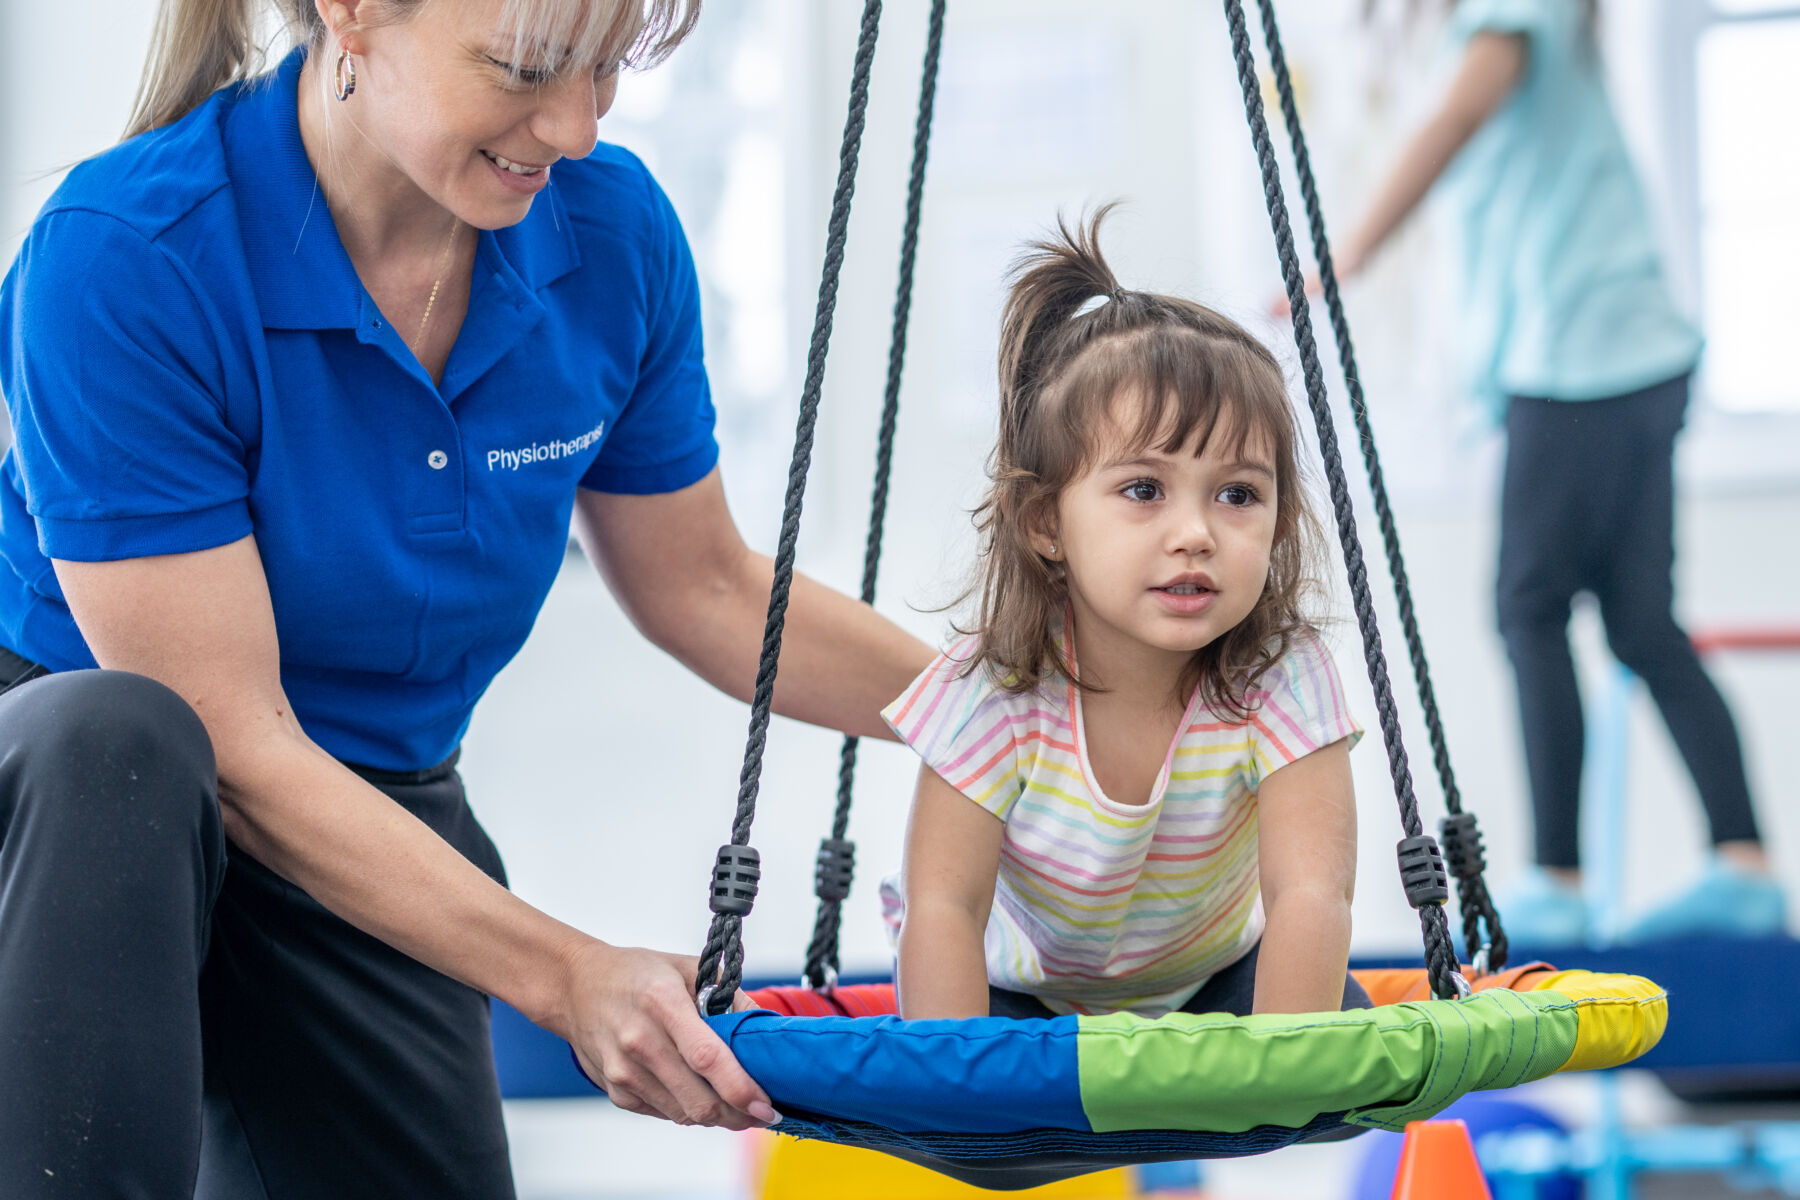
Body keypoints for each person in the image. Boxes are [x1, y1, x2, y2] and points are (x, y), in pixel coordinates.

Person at [0, 1, 934, 1196]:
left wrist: (1014, 714)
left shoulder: (609, 234)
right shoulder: (129, 253)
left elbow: (704, 583)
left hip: (372, 818)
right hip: (88, 825)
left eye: (611, 68)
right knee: (121, 737)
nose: (578, 127)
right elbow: (232, 737)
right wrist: (566, 974)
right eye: (531, 67)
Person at [1306, 0, 1785, 944]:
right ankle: (1742, 861)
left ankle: (1558, 880)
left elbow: (1457, 120)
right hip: (1621, 352)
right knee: (1642, 624)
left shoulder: (1514, 10)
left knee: (1529, 606)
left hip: (1582, 357)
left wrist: (1348, 252)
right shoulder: (1502, 26)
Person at [884, 211, 1370, 1023]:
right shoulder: (990, 688)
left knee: (1343, 1023)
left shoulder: (1282, 674)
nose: (1195, 534)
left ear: (1281, 522)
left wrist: (1282, 1077)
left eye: (1238, 495)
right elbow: (943, 909)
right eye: (1143, 491)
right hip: (1021, 998)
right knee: (973, 1074)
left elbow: (1312, 894)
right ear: (1046, 524)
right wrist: (958, 1089)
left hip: (1213, 985)